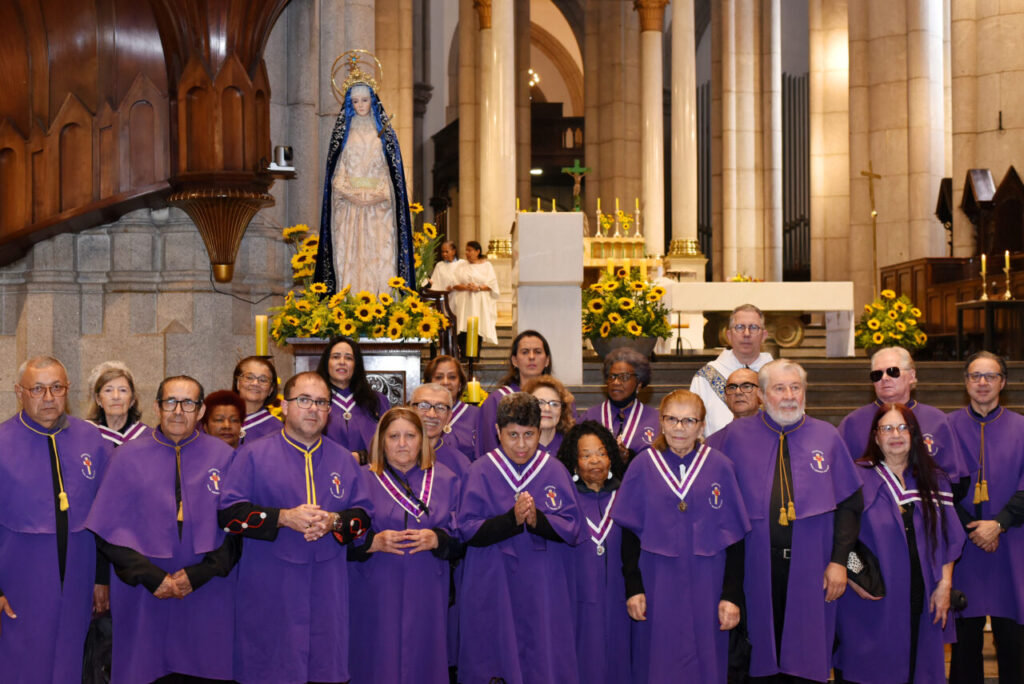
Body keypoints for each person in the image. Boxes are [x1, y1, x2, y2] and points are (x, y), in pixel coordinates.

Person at [713, 359, 863, 683]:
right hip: (754, 567)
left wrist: (839, 561)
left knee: (805, 657)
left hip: (813, 568)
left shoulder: (827, 436)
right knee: (757, 657)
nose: (789, 396)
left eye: (796, 387)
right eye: (779, 388)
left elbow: (850, 505)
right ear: (762, 395)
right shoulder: (735, 436)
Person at [218, 371, 373, 684]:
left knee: (323, 669)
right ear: (285, 407)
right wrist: (283, 518)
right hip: (269, 586)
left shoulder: (344, 460)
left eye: (321, 402)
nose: (313, 408)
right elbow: (229, 515)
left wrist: (333, 521)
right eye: (304, 400)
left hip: (327, 590)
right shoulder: (252, 454)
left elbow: (364, 518)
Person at [86, 376, 240, 683]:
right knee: (145, 669)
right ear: (157, 407)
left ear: (201, 411)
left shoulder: (224, 457)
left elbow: (237, 527)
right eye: (170, 402)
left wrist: (199, 574)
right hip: (144, 592)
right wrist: (151, 577)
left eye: (188, 403)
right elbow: (107, 530)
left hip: (207, 590)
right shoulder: (126, 456)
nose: (178, 411)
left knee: (205, 668)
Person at [613, 390, 750, 684]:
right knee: (657, 660)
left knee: (707, 661)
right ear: (661, 422)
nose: (679, 427)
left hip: (708, 582)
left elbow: (735, 539)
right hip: (656, 581)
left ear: (701, 426)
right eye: (672, 419)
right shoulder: (642, 465)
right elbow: (629, 534)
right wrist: (634, 588)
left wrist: (731, 596)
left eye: (689, 420)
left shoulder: (721, 466)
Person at [833, 404, 964, 684]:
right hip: (873, 594)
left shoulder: (934, 479)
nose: (896, 435)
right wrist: (853, 576)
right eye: (887, 428)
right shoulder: (856, 477)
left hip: (923, 592)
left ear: (914, 435)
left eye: (903, 428)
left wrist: (944, 585)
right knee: (871, 669)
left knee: (918, 666)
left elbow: (949, 537)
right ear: (876, 436)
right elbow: (837, 534)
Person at [0, 356, 112, 682]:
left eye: (57, 388)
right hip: (19, 579)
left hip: (80, 576)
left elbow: (106, 519)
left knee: (70, 659)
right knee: (20, 661)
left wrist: (101, 577)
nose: (48, 398)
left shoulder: (92, 439)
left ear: (68, 390)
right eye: (37, 389)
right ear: (19, 392)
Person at [457, 392, 582, 683]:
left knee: (541, 653)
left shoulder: (554, 469)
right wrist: (510, 520)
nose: (522, 445)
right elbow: (466, 529)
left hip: (542, 581)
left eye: (529, 435)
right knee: (493, 652)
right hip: (493, 578)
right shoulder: (480, 470)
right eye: (513, 435)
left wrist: (539, 520)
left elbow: (573, 527)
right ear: (497, 431)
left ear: (540, 431)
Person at [348, 407, 462, 684]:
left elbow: (463, 533)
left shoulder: (447, 479)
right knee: (376, 660)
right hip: (374, 589)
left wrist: (438, 538)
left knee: (424, 659)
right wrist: (371, 542)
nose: (402, 444)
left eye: (410, 436)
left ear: (422, 439)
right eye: (393, 436)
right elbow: (339, 535)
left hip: (428, 589)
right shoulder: (360, 478)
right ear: (381, 441)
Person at [947, 351, 1024, 684]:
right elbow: (939, 485)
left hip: (1013, 544)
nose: (982, 382)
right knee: (964, 642)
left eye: (990, 376)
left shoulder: (1022, 427)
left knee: (1013, 639)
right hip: (964, 547)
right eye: (975, 376)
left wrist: (999, 524)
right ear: (965, 382)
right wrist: (974, 529)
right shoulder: (946, 427)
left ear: (1002, 382)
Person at [314, 63, 415, 295]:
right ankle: (349, 306)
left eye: (365, 100)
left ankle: (381, 306)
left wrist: (379, 194)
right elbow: (337, 171)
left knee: (380, 258)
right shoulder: (342, 135)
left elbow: (393, 174)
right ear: (349, 104)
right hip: (350, 210)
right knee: (350, 258)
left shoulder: (385, 134)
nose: (360, 105)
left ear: (373, 101)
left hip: (379, 210)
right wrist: (350, 194)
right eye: (355, 101)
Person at [556, 421, 631, 684]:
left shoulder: (626, 496)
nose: (595, 461)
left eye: (601, 453)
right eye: (586, 455)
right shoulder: (563, 501)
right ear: (574, 463)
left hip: (621, 601)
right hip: (578, 601)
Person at [837, 346, 968, 482]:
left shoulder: (937, 420)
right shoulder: (852, 424)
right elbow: (841, 478)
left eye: (892, 371)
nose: (884, 378)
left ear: (911, 375)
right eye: (877, 374)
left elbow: (956, 478)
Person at [689, 303, 773, 437]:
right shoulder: (706, 376)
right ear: (728, 335)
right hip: (717, 448)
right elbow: (691, 425)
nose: (746, 334)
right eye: (739, 327)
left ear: (764, 335)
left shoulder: (778, 376)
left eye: (753, 327)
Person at [474, 329, 554, 459]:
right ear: (515, 360)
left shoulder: (558, 400)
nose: (532, 357)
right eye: (525, 352)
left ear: (547, 360)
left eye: (538, 352)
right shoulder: (496, 400)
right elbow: (488, 445)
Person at [579, 347, 660, 462]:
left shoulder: (656, 420)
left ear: (639, 384)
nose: (616, 382)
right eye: (612, 377)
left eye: (624, 377)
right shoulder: (589, 417)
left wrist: (629, 457)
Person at [317, 335, 390, 459]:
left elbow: (389, 442)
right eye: (335, 357)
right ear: (326, 363)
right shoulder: (315, 401)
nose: (342, 362)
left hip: (369, 469)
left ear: (356, 365)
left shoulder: (377, 401)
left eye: (349, 358)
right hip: (325, 468)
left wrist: (361, 457)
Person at [410, 382, 471, 480]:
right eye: (424, 405)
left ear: (449, 417)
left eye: (440, 408)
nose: (431, 415)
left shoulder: (460, 463)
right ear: (410, 411)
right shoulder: (395, 454)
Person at [424, 354, 477, 461]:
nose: (445, 382)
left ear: (460, 384)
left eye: (452, 377)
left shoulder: (477, 416)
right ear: (428, 383)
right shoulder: (419, 414)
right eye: (439, 377)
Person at [451, 240, 500, 352]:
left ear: (477, 251)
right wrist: (466, 287)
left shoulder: (487, 266)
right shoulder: (461, 266)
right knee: (463, 327)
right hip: (464, 301)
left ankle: (475, 355)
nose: (467, 253)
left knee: (478, 327)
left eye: (470, 250)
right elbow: (454, 283)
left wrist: (478, 288)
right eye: (466, 251)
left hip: (480, 302)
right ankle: (463, 354)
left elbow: (492, 285)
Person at [86, 361, 147, 445]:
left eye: (123, 390)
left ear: (132, 399)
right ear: (98, 399)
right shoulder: (85, 434)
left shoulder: (148, 438)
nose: (116, 396)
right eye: (108, 390)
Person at [231, 356, 282, 444]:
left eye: (263, 380)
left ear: (271, 389)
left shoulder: (277, 430)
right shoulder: (216, 420)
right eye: (249, 377)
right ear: (238, 383)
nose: (255, 383)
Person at [523, 374, 575, 456]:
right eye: (540, 403)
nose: (547, 409)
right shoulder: (518, 447)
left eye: (554, 404)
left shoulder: (572, 445)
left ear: (562, 410)